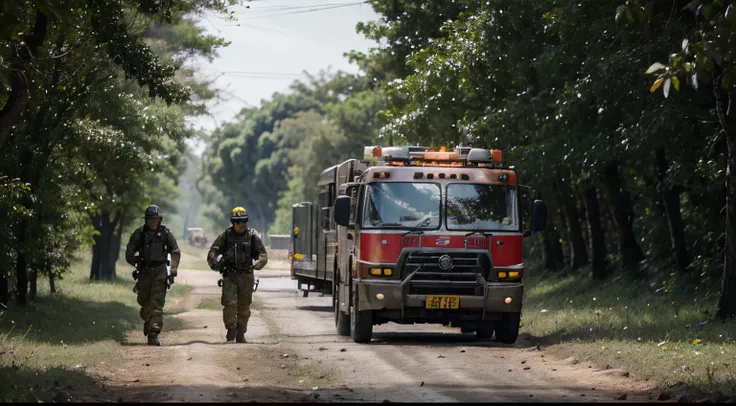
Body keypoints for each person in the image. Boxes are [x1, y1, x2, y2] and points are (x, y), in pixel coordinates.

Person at [207, 207, 268, 343]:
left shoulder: (252, 237)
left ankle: (241, 333)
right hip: (230, 276)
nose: (242, 224)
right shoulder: (225, 236)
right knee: (230, 303)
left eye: (244, 221)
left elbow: (262, 253)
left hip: (246, 276)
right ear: (233, 222)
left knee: (244, 307)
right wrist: (215, 263)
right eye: (239, 221)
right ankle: (231, 328)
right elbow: (212, 252)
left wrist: (258, 263)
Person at [125, 205, 181, 346]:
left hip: (160, 271)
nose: (152, 222)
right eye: (150, 219)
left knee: (157, 303)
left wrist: (173, 268)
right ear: (146, 220)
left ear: (159, 220)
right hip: (144, 272)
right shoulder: (139, 233)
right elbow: (129, 252)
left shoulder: (166, 233)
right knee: (144, 301)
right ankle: (148, 319)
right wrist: (136, 261)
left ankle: (153, 333)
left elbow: (175, 250)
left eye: (155, 219)